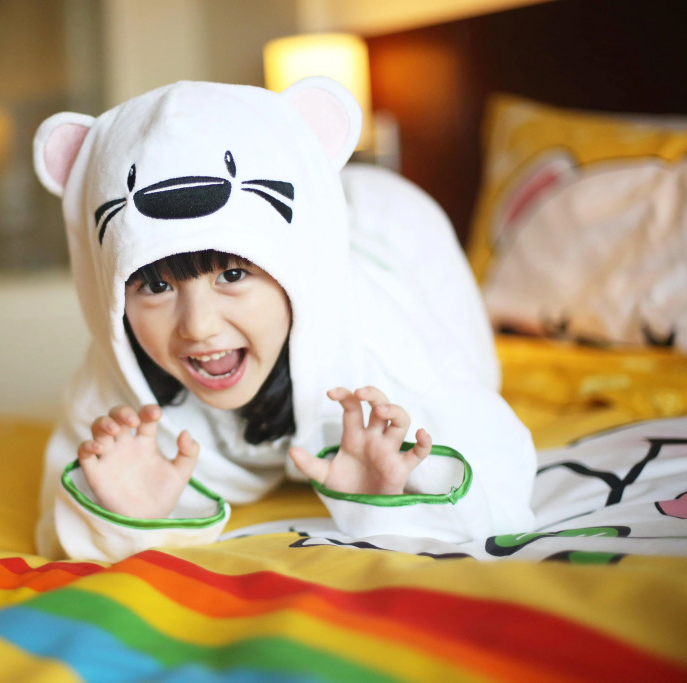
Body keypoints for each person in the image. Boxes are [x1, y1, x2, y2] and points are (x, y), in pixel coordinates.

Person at [31, 77, 536, 562]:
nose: (198, 327)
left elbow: (501, 500)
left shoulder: (387, 356)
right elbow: (58, 532)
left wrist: (387, 503)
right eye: (156, 286)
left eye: (232, 274)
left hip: (389, 233)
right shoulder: (114, 387)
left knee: (475, 363)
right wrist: (125, 518)